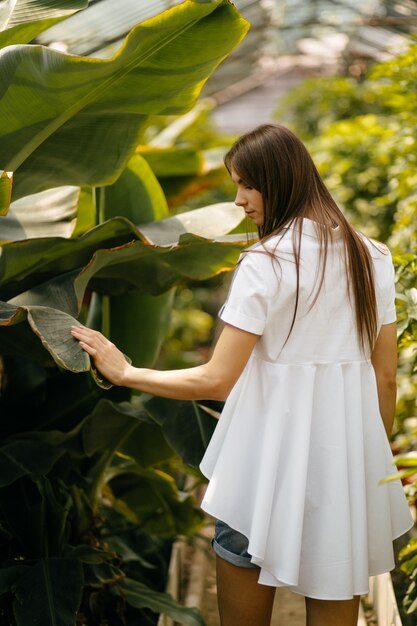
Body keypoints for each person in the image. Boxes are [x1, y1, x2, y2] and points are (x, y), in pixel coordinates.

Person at [71, 124, 414, 626]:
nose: (238, 200)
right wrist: (366, 461)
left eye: (246, 186)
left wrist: (127, 373)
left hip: (262, 472)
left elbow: (217, 380)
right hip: (345, 469)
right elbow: (386, 379)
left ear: (278, 181)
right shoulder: (374, 257)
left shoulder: (265, 262)